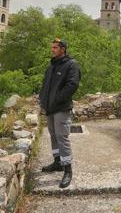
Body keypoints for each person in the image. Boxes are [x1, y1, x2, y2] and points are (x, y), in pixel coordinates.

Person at [38, 37, 81, 189]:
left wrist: (57, 100)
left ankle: (67, 170)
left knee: (62, 138)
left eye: (55, 47)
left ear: (63, 49)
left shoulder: (71, 65)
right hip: (49, 108)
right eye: (52, 47)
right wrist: (43, 101)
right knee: (53, 136)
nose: (53, 50)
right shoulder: (52, 66)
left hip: (61, 108)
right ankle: (57, 162)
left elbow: (72, 85)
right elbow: (45, 85)